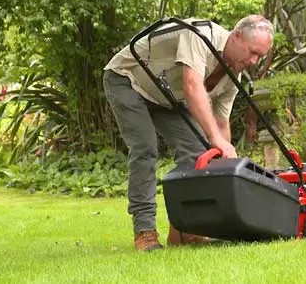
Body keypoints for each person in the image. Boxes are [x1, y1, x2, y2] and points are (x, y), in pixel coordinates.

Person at [103, 15, 274, 251]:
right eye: (252, 52)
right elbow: (192, 87)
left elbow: (220, 123)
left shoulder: (232, 76)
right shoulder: (199, 35)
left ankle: (185, 230)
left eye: (259, 57)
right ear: (236, 36)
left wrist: (227, 165)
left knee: (198, 152)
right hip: (128, 80)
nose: (254, 61)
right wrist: (215, 139)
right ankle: (145, 231)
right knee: (145, 149)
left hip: (167, 97)